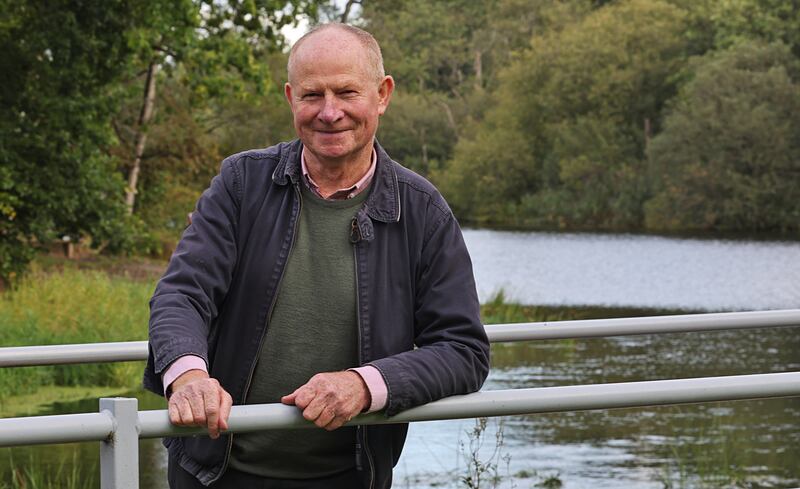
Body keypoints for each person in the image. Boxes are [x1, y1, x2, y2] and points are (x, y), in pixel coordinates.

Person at [143, 22, 490, 489]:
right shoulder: (241, 183)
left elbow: (463, 351)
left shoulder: (423, 211)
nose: (330, 113)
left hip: (347, 477)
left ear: (382, 94)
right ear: (291, 98)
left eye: (347, 92)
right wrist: (187, 377)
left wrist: (364, 384)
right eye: (312, 95)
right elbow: (183, 294)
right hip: (212, 472)